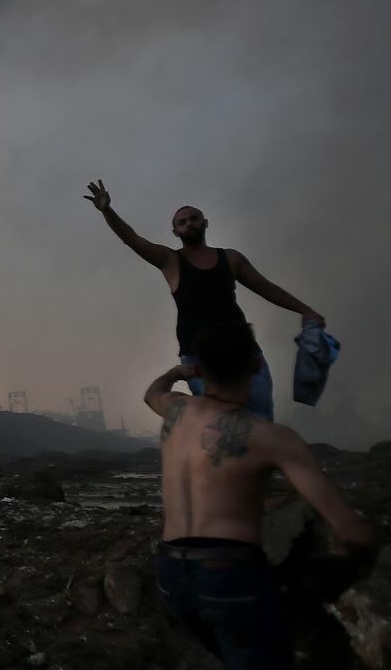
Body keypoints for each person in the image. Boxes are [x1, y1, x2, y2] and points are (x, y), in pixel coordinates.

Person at [144, 321, 376, 669]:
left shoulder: (176, 410)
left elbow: (152, 392)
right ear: (257, 365)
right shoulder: (271, 437)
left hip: (171, 575)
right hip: (228, 575)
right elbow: (351, 531)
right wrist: (363, 556)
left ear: (200, 368)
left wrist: (178, 371)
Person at [84, 179, 324, 420]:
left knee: (260, 419)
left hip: (243, 352)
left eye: (194, 219)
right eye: (182, 222)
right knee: (220, 423)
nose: (189, 224)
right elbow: (132, 238)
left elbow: (264, 287)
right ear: (175, 231)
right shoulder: (171, 261)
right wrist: (107, 210)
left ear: (205, 223)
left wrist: (305, 310)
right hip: (199, 358)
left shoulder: (230, 259)